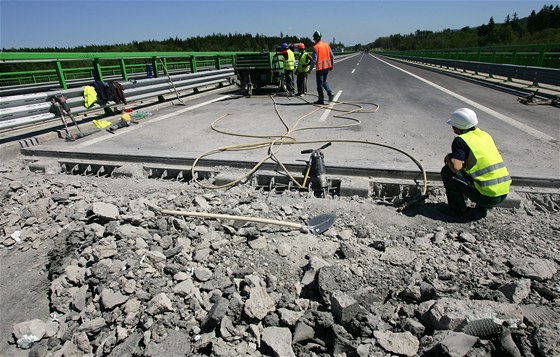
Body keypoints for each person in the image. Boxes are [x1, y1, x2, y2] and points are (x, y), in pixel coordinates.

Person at [440, 108, 511, 218]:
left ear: (456, 127)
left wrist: (449, 158)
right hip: (503, 193)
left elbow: (456, 167)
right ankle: (482, 207)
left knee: (447, 172)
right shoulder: (485, 135)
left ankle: (459, 211)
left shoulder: (461, 140)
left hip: (488, 197)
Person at [311, 31, 334, 105]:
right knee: (324, 81)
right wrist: (332, 65)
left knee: (319, 84)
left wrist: (310, 69)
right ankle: (330, 93)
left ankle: (321, 99)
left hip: (320, 68)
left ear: (315, 38)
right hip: (327, 66)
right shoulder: (327, 45)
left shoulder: (315, 47)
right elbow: (332, 56)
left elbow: (314, 60)